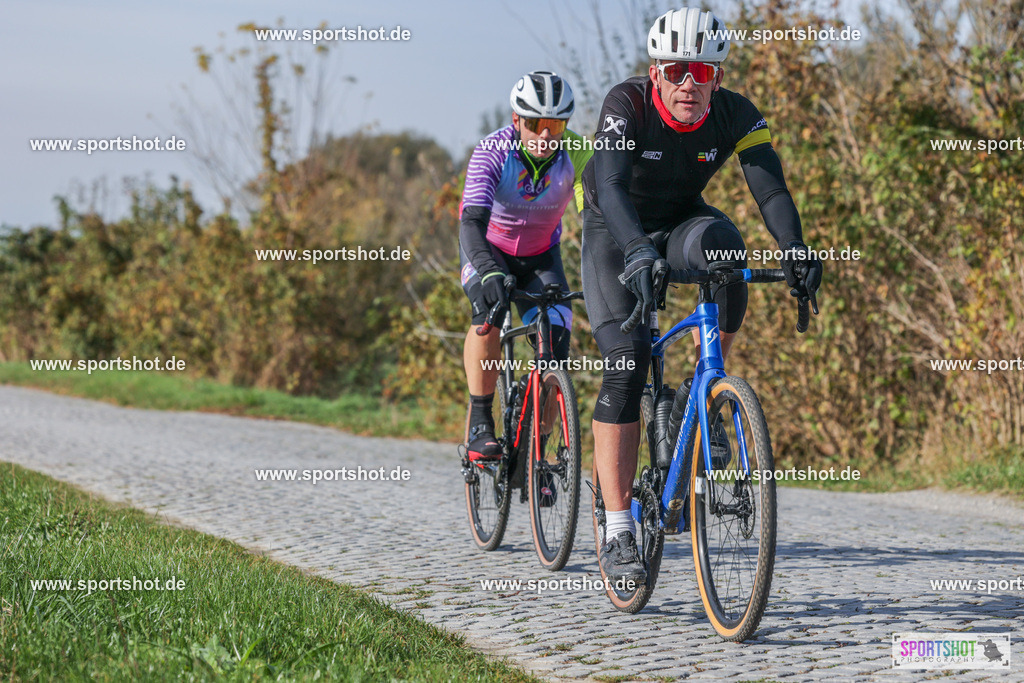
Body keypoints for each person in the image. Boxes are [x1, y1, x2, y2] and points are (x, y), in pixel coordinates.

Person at [581, 8, 823, 585]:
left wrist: (795, 247)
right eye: (679, 69)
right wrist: (639, 250)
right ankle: (617, 528)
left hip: (682, 221)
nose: (691, 83)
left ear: (718, 76)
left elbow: (770, 190)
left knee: (727, 252)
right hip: (616, 232)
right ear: (656, 71)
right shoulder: (627, 104)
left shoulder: (737, 113)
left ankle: (704, 390)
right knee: (626, 366)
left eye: (705, 71)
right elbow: (611, 188)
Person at [460, 71, 592, 462]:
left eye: (554, 125)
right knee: (488, 314)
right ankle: (481, 421)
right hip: (489, 251)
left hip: (540, 257)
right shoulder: (491, 152)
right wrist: (488, 271)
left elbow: (596, 215)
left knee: (555, 348)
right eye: (535, 124)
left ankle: (540, 456)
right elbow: (471, 223)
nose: (545, 135)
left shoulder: (579, 152)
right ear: (517, 120)